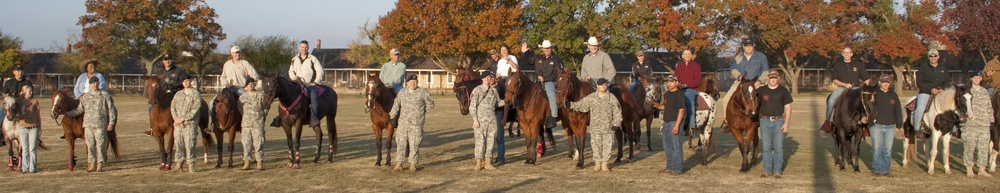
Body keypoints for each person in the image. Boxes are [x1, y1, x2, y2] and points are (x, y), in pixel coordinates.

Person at [567, 78, 623, 172]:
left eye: (605, 85)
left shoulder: (611, 98)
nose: (603, 86)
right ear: (598, 86)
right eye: (601, 85)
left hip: (608, 128)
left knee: (607, 146)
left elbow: (618, 111)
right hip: (595, 127)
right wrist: (570, 104)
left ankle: (605, 164)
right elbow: (581, 105)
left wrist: (616, 124)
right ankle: (597, 164)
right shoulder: (592, 97)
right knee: (596, 146)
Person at [66, 76, 117, 172]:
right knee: (90, 145)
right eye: (93, 83)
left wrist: (111, 123)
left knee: (100, 144)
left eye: (96, 83)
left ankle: (100, 164)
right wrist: (67, 113)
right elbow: (80, 110)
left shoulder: (104, 95)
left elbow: (111, 109)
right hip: (88, 125)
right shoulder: (85, 97)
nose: (95, 85)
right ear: (90, 85)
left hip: (100, 124)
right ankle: (92, 163)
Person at [389, 75, 435, 172]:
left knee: (415, 143)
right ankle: (399, 163)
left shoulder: (423, 92)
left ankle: (413, 164)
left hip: (416, 123)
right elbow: (396, 105)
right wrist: (392, 116)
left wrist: (421, 112)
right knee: (401, 142)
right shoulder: (402, 92)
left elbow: (431, 104)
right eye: (411, 82)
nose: (413, 84)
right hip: (403, 122)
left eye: (414, 82)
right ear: (407, 83)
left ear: (417, 82)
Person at [210, 46, 260, 132]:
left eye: (238, 52)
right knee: (212, 103)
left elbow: (255, 75)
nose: (237, 54)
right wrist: (226, 83)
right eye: (235, 53)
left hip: (240, 88)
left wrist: (248, 85)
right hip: (228, 88)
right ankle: (212, 124)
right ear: (231, 54)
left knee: (247, 103)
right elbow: (223, 77)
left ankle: (245, 125)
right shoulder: (227, 64)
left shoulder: (245, 63)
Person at [718, 41, 769, 127]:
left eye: (750, 46)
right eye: (747, 46)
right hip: (741, 82)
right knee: (726, 99)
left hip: (756, 83)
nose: (749, 48)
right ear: (743, 47)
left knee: (765, 100)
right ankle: (727, 121)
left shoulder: (761, 56)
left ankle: (764, 120)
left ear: (753, 46)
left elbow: (766, 71)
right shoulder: (738, 57)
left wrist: (759, 81)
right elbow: (733, 70)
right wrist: (740, 77)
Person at [823, 47, 870, 133]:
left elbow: (866, 78)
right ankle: (828, 123)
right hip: (842, 88)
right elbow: (834, 80)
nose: (847, 54)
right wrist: (844, 84)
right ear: (842, 54)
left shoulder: (858, 64)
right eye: (845, 53)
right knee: (831, 100)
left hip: (856, 88)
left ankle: (866, 125)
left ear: (852, 54)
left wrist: (866, 87)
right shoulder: (838, 65)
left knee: (865, 102)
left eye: (848, 53)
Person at [756, 69, 792, 179]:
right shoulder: (760, 91)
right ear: (767, 78)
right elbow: (754, 104)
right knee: (766, 147)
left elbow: (788, 107)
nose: (773, 80)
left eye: (775, 78)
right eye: (771, 78)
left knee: (778, 147)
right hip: (764, 121)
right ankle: (767, 170)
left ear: (778, 78)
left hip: (778, 121)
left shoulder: (783, 91)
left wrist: (786, 123)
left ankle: (777, 171)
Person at [521, 40, 562, 128]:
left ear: (551, 48)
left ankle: (553, 117)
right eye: (545, 48)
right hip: (537, 81)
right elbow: (527, 60)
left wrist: (545, 79)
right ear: (542, 49)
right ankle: (522, 113)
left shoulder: (556, 59)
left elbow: (557, 73)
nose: (546, 50)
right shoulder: (538, 58)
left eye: (548, 48)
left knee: (551, 94)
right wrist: (524, 52)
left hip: (551, 82)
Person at [469, 71, 505, 171]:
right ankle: (478, 162)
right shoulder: (477, 90)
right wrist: (475, 120)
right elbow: (472, 107)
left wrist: (507, 101)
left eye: (489, 77)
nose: (488, 79)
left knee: (491, 141)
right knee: (480, 141)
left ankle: (488, 162)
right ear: (482, 79)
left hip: (492, 120)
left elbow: (498, 103)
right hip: (480, 120)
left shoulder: (494, 91)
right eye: (486, 78)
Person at [145, 54, 188, 135]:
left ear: (172, 60)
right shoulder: (159, 72)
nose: (168, 61)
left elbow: (186, 81)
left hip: (176, 94)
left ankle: (183, 124)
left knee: (182, 108)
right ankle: (152, 128)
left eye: (169, 59)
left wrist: (174, 83)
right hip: (163, 96)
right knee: (151, 107)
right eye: (166, 60)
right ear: (163, 61)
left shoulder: (179, 71)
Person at [652, 75, 686, 175]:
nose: (669, 84)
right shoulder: (667, 94)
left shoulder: (679, 94)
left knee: (676, 147)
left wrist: (677, 126)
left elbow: (681, 110)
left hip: (674, 122)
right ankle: (669, 167)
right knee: (667, 147)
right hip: (666, 122)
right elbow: (666, 107)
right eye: (668, 82)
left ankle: (677, 168)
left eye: (671, 81)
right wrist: (658, 106)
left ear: (676, 82)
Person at [870, 74, 902, 177]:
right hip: (877, 125)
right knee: (877, 148)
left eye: (887, 82)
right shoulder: (874, 94)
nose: (886, 84)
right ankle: (877, 169)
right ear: (880, 82)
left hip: (890, 126)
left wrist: (898, 125)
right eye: (884, 82)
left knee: (887, 149)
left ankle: (886, 170)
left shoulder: (893, 95)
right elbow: (868, 107)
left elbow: (898, 111)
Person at [913, 49, 950, 135]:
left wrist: (942, 88)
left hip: (941, 93)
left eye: (935, 56)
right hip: (926, 92)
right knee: (920, 107)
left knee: (951, 106)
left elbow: (947, 81)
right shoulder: (923, 68)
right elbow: (919, 82)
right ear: (928, 57)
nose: (933, 58)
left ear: (938, 57)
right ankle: (917, 128)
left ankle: (954, 127)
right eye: (931, 56)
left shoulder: (943, 69)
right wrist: (931, 89)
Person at [963, 73, 993, 177]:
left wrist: (991, 120)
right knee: (970, 147)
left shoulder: (984, 91)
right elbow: (962, 107)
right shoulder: (966, 91)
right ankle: (969, 169)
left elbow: (989, 105)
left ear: (981, 79)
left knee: (984, 148)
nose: (976, 79)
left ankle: (982, 169)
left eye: (979, 78)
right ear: (971, 79)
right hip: (971, 124)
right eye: (974, 77)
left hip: (984, 124)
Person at [289, 40, 325, 127]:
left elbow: (320, 71)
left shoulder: (313, 59)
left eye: (305, 47)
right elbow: (290, 71)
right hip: (297, 84)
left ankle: (314, 118)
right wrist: (294, 78)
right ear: (299, 48)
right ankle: (281, 117)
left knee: (313, 98)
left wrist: (315, 82)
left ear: (308, 48)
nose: (304, 49)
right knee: (287, 95)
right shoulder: (294, 59)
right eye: (302, 47)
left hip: (309, 85)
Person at [170, 74, 201, 173]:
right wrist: (177, 119)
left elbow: (195, 109)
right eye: (184, 81)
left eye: (188, 81)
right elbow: (172, 107)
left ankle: (191, 164)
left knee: (190, 144)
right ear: (182, 83)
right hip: (178, 124)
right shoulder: (178, 94)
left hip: (189, 124)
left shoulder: (195, 94)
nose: (186, 83)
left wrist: (183, 119)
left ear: (190, 81)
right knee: (178, 144)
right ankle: (179, 163)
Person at [0, 65, 32, 146]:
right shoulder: (8, 82)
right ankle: (2, 137)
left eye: (21, 71)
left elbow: (31, 95)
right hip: (10, 105)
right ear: (14, 72)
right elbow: (4, 94)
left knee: (32, 118)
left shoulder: (27, 82)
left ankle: (35, 136)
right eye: (17, 71)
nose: (19, 73)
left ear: (23, 72)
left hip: (22, 105)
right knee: (0, 116)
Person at [239, 78, 266, 171]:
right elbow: (239, 109)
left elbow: (265, 108)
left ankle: (259, 162)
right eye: (249, 84)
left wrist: (261, 117)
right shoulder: (242, 97)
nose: (251, 85)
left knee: (258, 143)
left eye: (252, 84)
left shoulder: (260, 95)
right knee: (246, 143)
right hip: (246, 124)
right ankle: (247, 162)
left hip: (257, 123)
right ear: (246, 86)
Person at [13, 85, 40, 173]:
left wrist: (40, 128)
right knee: (25, 149)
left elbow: (38, 116)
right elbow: (14, 116)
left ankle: (33, 168)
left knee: (32, 149)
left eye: (31, 91)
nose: (31, 93)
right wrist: (20, 116)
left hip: (33, 127)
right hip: (23, 128)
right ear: (24, 92)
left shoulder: (35, 102)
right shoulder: (19, 103)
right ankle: (25, 168)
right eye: (29, 91)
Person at [675, 49, 701, 132]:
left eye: (689, 54)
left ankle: (691, 125)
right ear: (682, 56)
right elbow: (676, 77)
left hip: (690, 89)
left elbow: (697, 81)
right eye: (685, 54)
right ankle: (666, 122)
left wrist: (686, 85)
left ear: (692, 55)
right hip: (679, 88)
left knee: (690, 101)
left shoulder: (696, 66)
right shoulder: (679, 66)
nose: (687, 55)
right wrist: (677, 84)